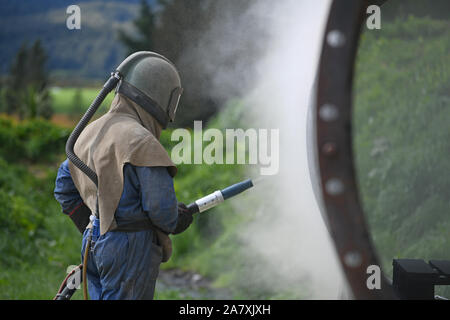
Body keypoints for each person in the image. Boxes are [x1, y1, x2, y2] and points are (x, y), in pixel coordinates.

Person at [54, 52, 193, 300]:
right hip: (129, 249)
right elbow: (161, 209)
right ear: (162, 96)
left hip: (92, 244)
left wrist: (97, 225)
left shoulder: (90, 131)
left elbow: (64, 186)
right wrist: (176, 219)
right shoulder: (141, 142)